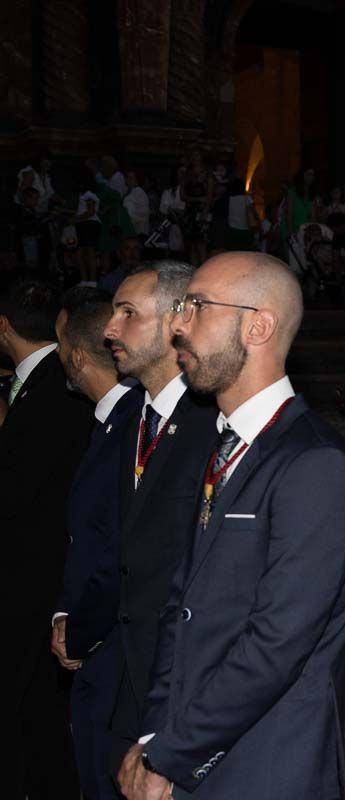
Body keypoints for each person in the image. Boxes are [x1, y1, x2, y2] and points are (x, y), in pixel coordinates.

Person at [117, 252, 345, 798]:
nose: (179, 324)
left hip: (269, 764)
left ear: (258, 325)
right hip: (196, 749)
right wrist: (153, 730)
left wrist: (169, 753)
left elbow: (275, 646)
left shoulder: (315, 466)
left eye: (197, 307)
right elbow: (179, 606)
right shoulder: (223, 446)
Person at [103, 262, 220, 774]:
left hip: (191, 677)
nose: (109, 328)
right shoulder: (129, 419)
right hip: (132, 669)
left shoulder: (215, 423)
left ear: (178, 320)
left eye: (128, 313)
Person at [0, 276, 93, 800]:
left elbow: (15, 491)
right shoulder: (52, 384)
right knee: (39, 706)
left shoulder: (54, 391)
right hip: (44, 571)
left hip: (31, 575)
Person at [51, 286, 140, 800]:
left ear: (78, 356)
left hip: (112, 639)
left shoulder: (130, 425)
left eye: (61, 345)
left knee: (105, 770)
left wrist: (79, 628)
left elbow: (117, 544)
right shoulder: (110, 421)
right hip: (96, 627)